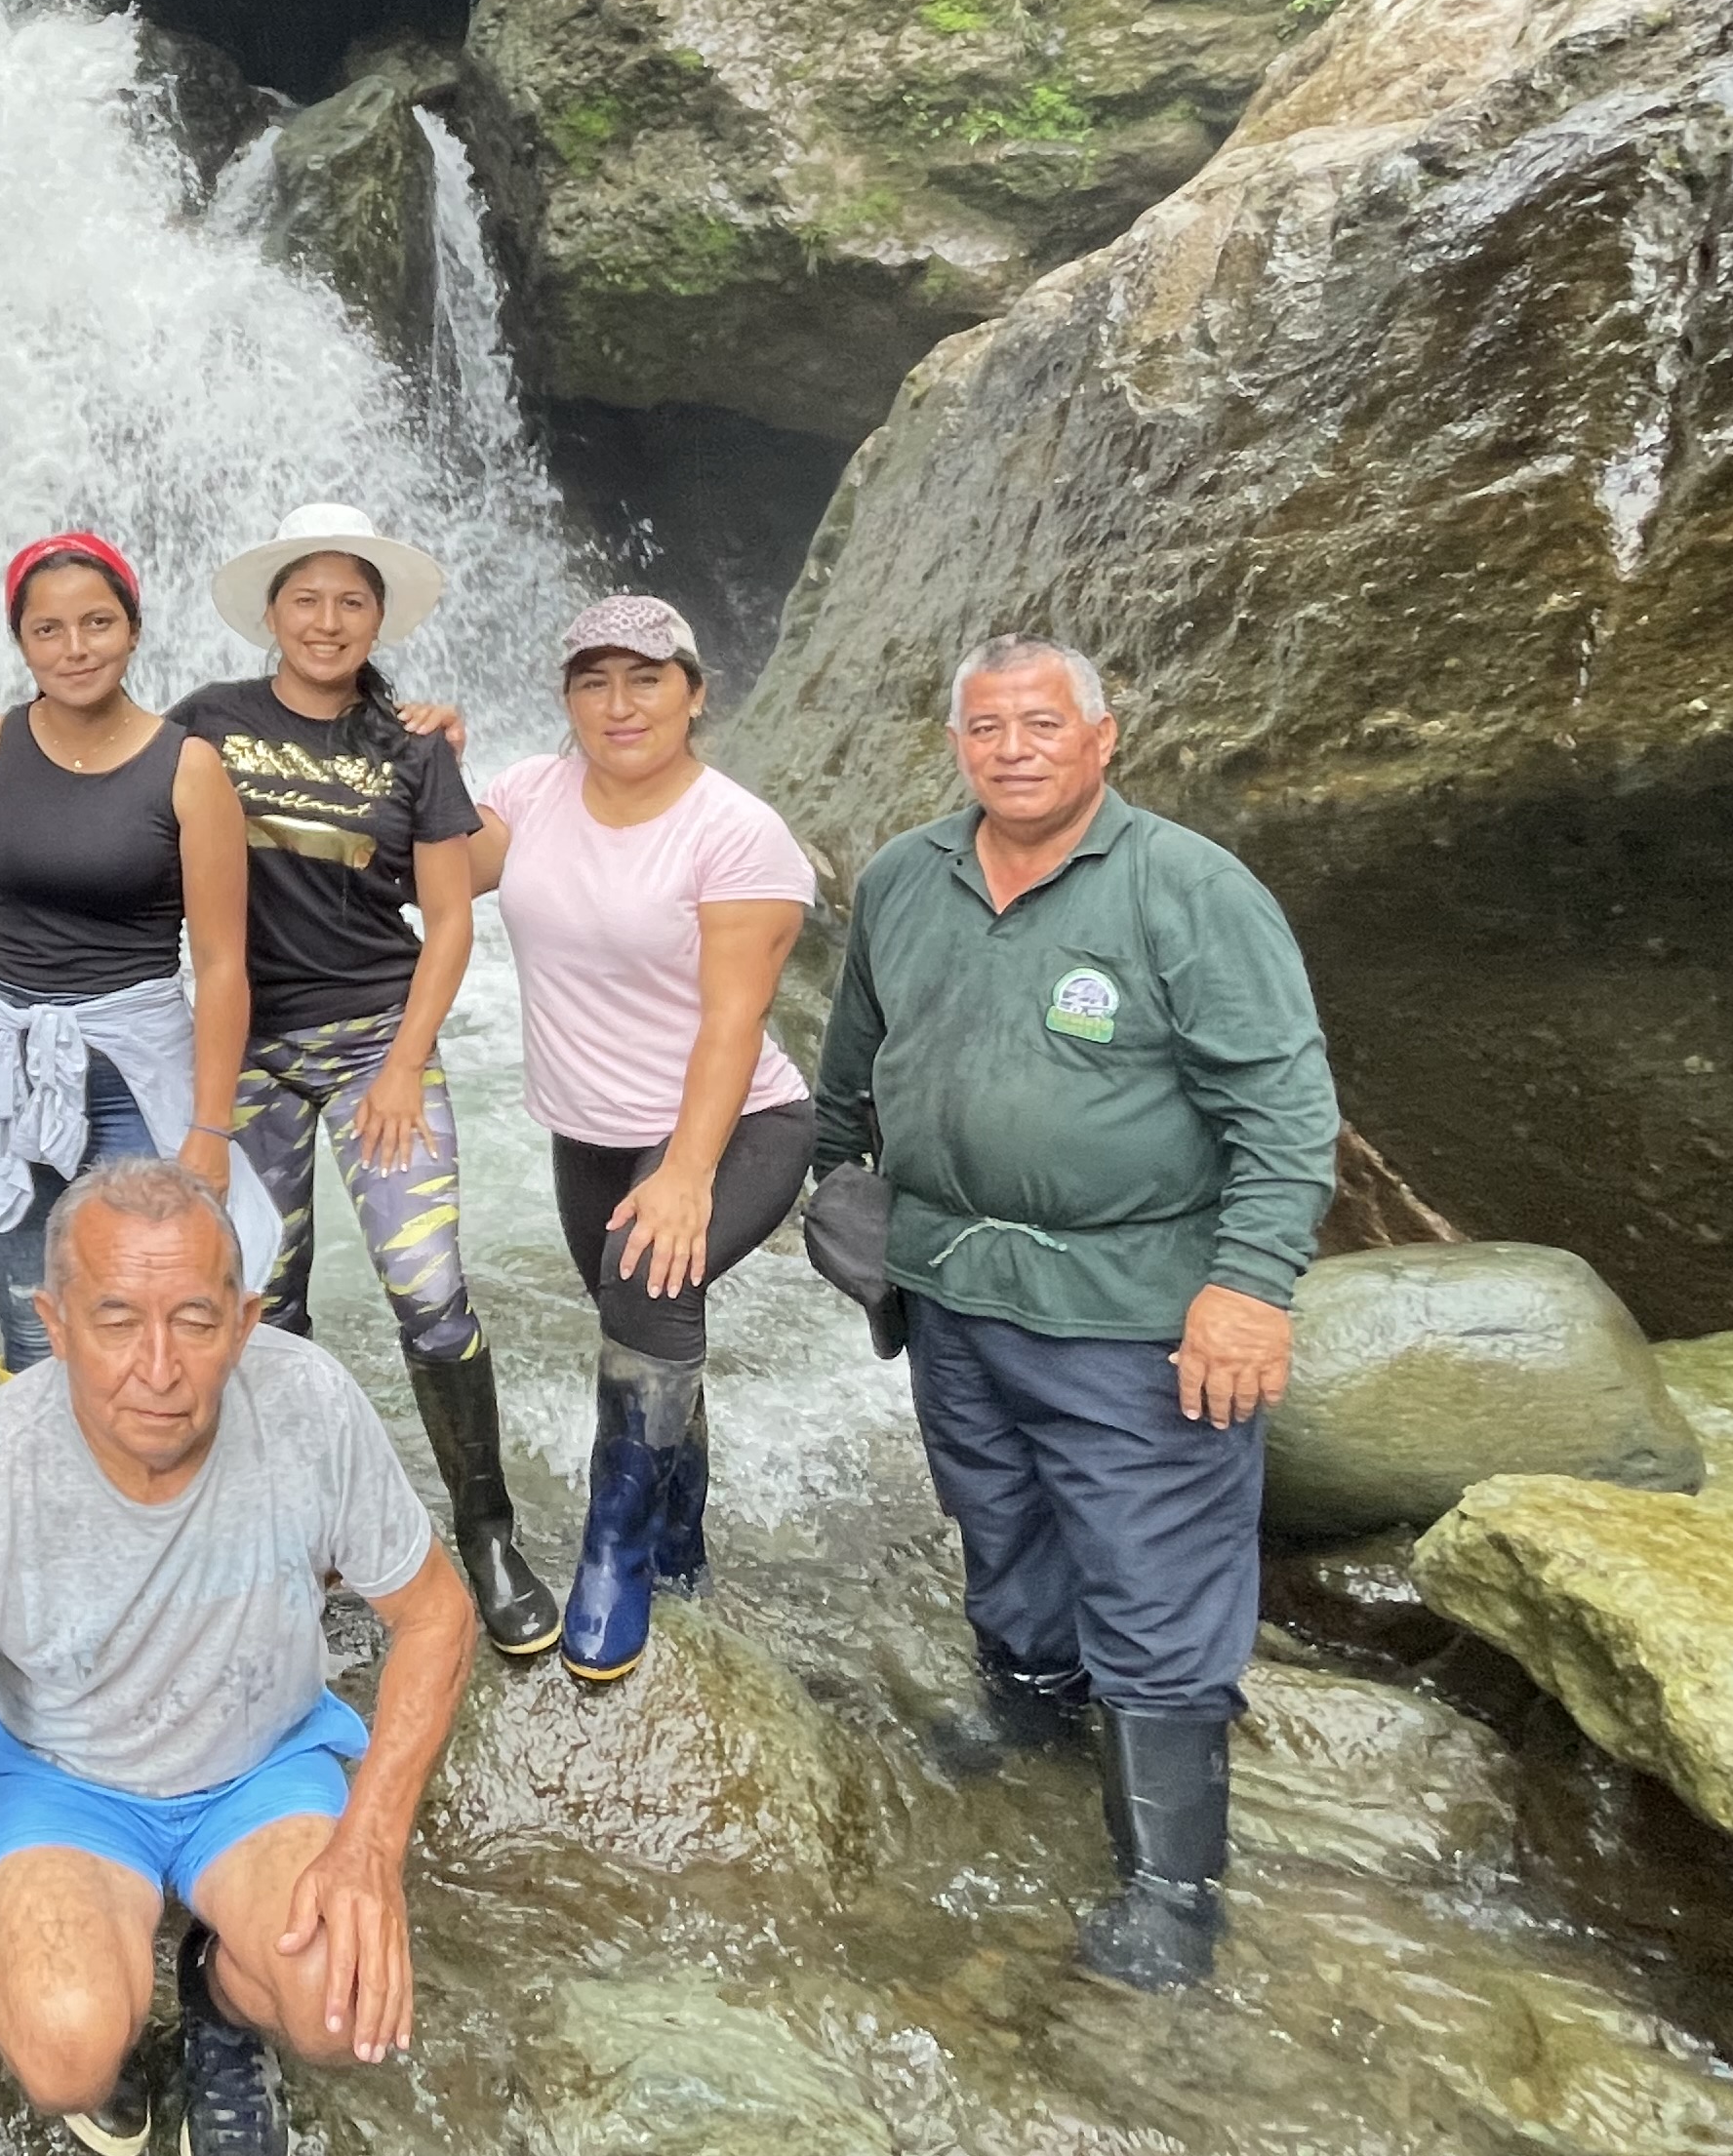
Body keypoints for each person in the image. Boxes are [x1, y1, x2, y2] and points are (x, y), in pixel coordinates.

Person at [0, 1159, 478, 2156]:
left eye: (195, 1322)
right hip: (61, 1782)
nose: (158, 1368)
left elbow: (437, 1617)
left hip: (262, 1765)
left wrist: (369, 1846)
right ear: (55, 1325)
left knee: (341, 2006)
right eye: (116, 1322)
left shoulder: (309, 1405)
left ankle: (220, 1998)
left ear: (244, 1324)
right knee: (67, 2049)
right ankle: (113, 2001)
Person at [813, 634, 1337, 1991]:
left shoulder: (1187, 888)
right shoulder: (904, 877)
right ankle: (1034, 1716)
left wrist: (1249, 1287)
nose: (1014, 750)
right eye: (987, 728)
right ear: (956, 745)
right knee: (999, 1519)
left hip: (1131, 1306)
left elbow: (1285, 1110)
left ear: (1103, 739)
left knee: (1154, 1566)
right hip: (951, 1288)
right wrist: (834, 1187)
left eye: (1043, 724)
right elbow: (853, 1060)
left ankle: (1173, 1888)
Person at [173, 503, 559, 1662]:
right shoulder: (207, 723)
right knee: (266, 1301)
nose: (328, 620)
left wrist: (400, 1067)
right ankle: (292, 1543)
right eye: (307, 599)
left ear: (377, 619)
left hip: (376, 1039)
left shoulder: (414, 748)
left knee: (429, 1289)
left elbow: (451, 921)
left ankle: (487, 1536)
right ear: (273, 614)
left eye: (351, 601)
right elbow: (96, 787)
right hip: (244, 1050)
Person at [472, 594, 820, 1686]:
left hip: (736, 1124)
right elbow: (434, 865)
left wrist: (686, 1171)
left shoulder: (736, 831)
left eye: (647, 678)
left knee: (645, 1284)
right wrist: (413, 754)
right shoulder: (532, 791)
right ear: (569, 698)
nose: (619, 704)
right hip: (588, 1130)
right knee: (636, 1319)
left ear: (695, 694)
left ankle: (613, 1551)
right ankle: (681, 1537)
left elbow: (734, 1020)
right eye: (594, 681)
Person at [0, 531, 268, 1377]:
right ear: (21, 641)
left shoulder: (189, 769)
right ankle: (41, 1460)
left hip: (131, 1073)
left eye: (98, 623)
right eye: (49, 629)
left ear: (134, 630)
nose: (75, 648)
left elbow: (222, 964)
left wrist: (210, 1129)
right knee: (32, 1325)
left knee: (153, 1315)